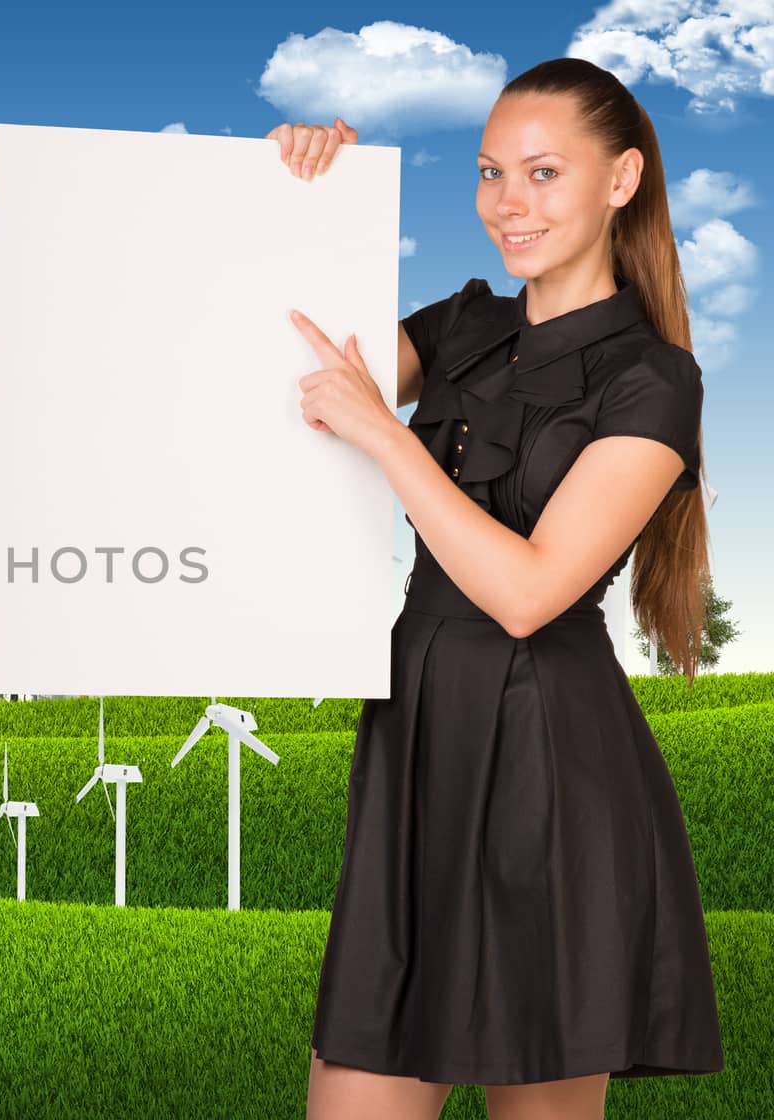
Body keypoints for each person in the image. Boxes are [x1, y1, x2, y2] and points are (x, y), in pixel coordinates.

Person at [269, 57, 725, 1120]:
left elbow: (528, 594)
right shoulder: (461, 326)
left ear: (621, 180)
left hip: (551, 769)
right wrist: (301, 200)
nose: (505, 204)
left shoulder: (653, 381)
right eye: (487, 172)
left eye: (540, 172)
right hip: (417, 736)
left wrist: (387, 436)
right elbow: (284, 375)